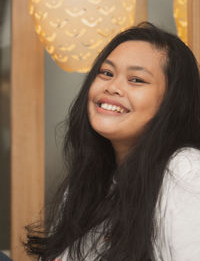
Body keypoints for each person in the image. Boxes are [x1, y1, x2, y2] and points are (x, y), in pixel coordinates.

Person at [25, 22, 200, 261]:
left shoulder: (185, 170)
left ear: (172, 102)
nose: (113, 87)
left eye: (136, 80)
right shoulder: (86, 185)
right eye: (106, 73)